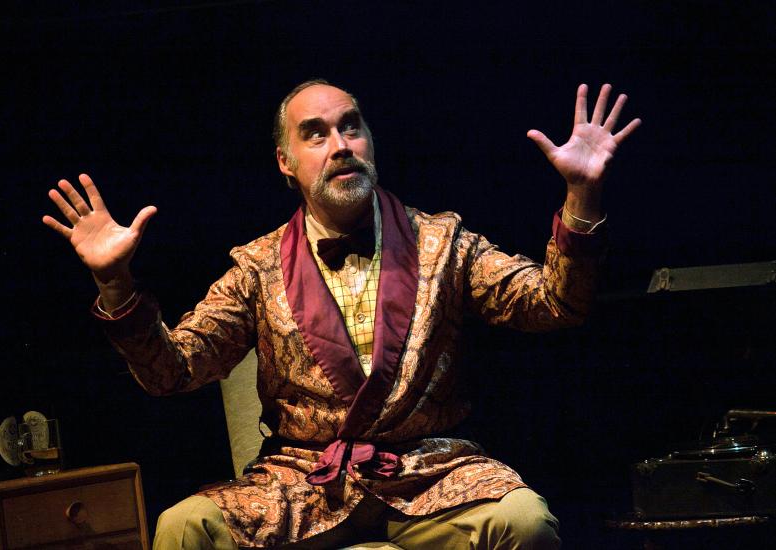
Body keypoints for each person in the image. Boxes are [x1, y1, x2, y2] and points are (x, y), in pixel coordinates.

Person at [43, 79, 640, 549]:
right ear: (286, 161)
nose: (340, 146)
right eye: (316, 134)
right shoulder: (256, 267)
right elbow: (172, 371)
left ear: (371, 140)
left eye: (350, 128)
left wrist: (582, 197)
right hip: (303, 485)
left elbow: (555, 303)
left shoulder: (443, 242)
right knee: (182, 529)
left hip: (431, 476)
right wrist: (114, 282)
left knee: (527, 522)